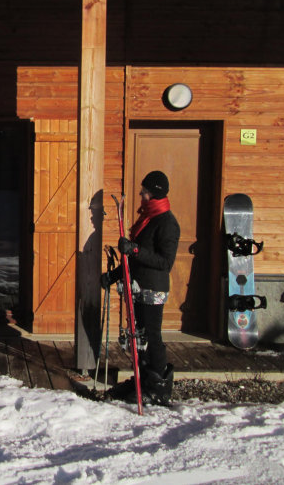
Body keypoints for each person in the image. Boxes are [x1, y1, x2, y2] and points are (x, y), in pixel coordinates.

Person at [101, 170, 180, 406]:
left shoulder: (167, 223)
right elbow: (133, 261)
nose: (141, 195)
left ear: (155, 193)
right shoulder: (147, 219)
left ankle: (159, 387)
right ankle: (142, 380)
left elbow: (165, 262)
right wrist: (114, 276)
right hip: (137, 287)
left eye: (144, 192)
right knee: (139, 337)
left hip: (153, 289)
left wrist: (134, 249)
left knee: (152, 337)